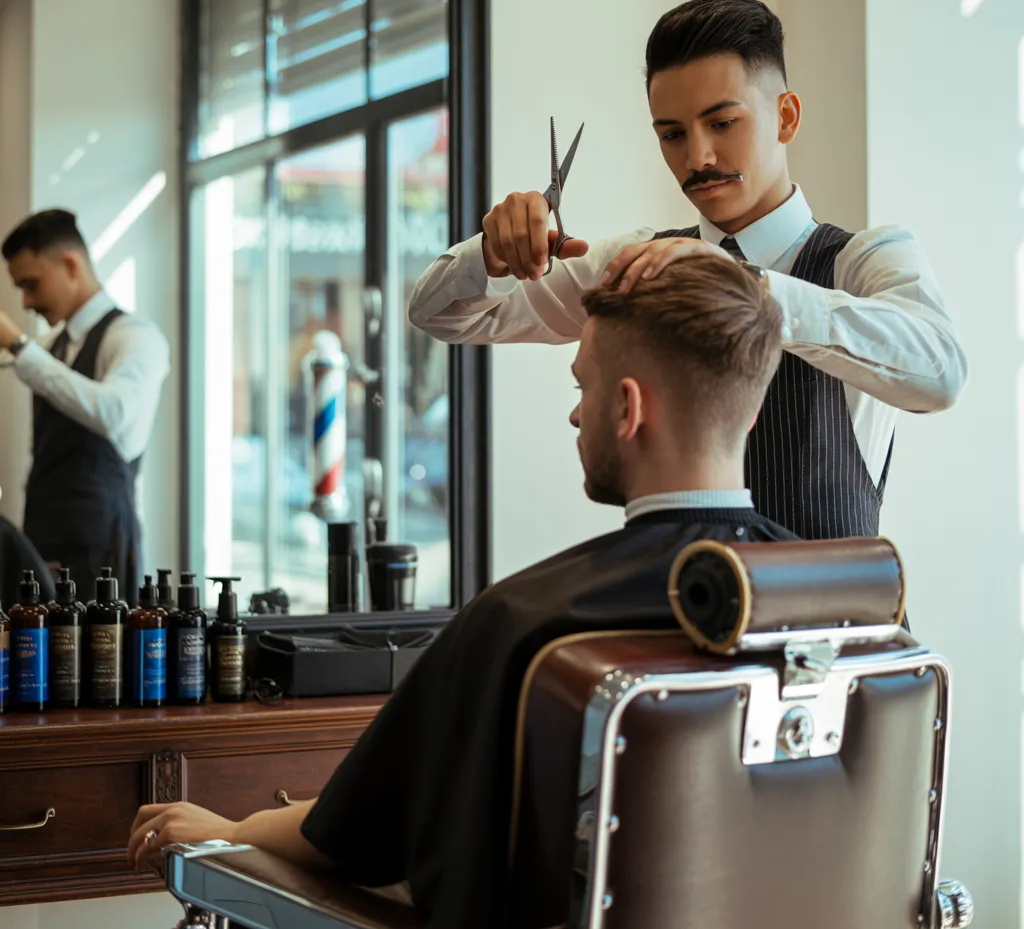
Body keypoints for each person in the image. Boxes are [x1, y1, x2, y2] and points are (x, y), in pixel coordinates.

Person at [127, 255, 797, 929]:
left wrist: (232, 829)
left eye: (583, 386)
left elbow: (354, 838)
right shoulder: (831, 596)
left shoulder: (525, 622)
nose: (575, 414)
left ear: (628, 408)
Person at [408, 0, 968, 542]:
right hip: (674, 599)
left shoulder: (862, 261)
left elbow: (941, 373)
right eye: (672, 134)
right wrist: (491, 256)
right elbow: (441, 316)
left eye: (722, 123)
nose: (696, 158)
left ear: (786, 117)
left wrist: (749, 287)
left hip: (832, 606)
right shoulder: (637, 265)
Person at [0, 210, 170, 605]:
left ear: (71, 264)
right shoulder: (51, 346)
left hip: (100, 550)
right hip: (41, 539)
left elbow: (113, 412)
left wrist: (19, 346)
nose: (26, 302)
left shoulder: (136, 337)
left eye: (31, 285)